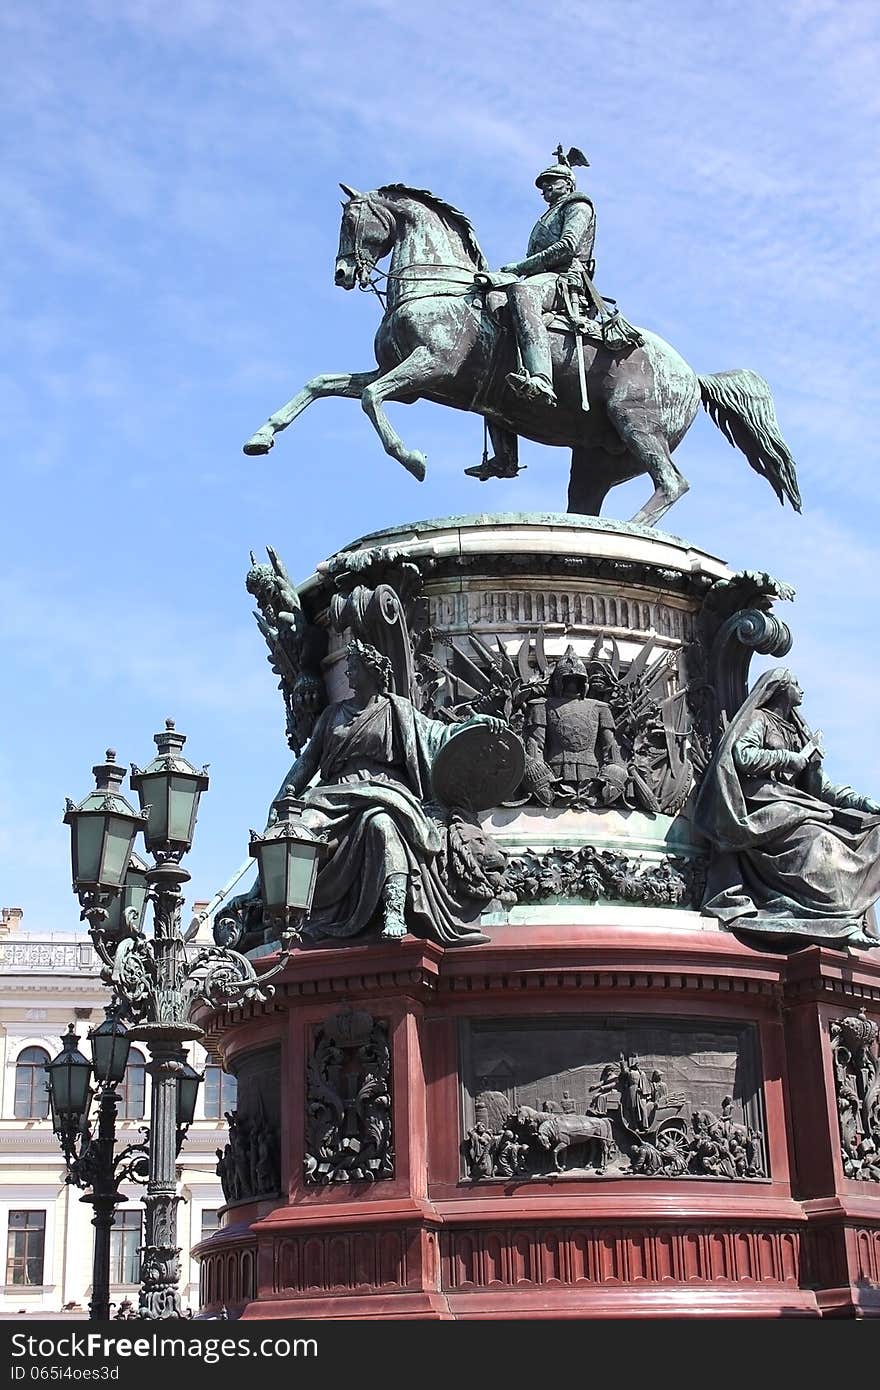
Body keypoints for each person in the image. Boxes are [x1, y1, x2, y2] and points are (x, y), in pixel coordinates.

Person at [275, 638, 503, 946]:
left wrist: (474, 724)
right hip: (335, 795)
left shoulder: (397, 710)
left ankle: (393, 908)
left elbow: (437, 734)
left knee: (382, 824)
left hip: (385, 792)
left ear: (371, 672)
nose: (347, 674)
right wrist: (284, 796)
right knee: (300, 831)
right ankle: (293, 915)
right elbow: (307, 761)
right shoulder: (332, 715)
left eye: (353, 668)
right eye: (348, 668)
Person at [694, 668, 880, 947]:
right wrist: (789, 759)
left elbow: (824, 788)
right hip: (765, 804)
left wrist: (861, 801)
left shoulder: (799, 732)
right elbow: (742, 755)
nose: (801, 689)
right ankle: (835, 922)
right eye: (796, 684)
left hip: (796, 805)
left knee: (869, 831)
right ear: (780, 689)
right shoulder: (759, 719)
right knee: (819, 842)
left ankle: (843, 919)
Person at [524, 646, 623, 803]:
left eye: (577, 680)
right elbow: (536, 745)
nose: (572, 683)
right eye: (568, 680)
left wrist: (614, 774)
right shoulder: (542, 705)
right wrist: (538, 775)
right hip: (554, 773)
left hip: (593, 776)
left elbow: (611, 749)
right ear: (558, 681)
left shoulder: (600, 708)